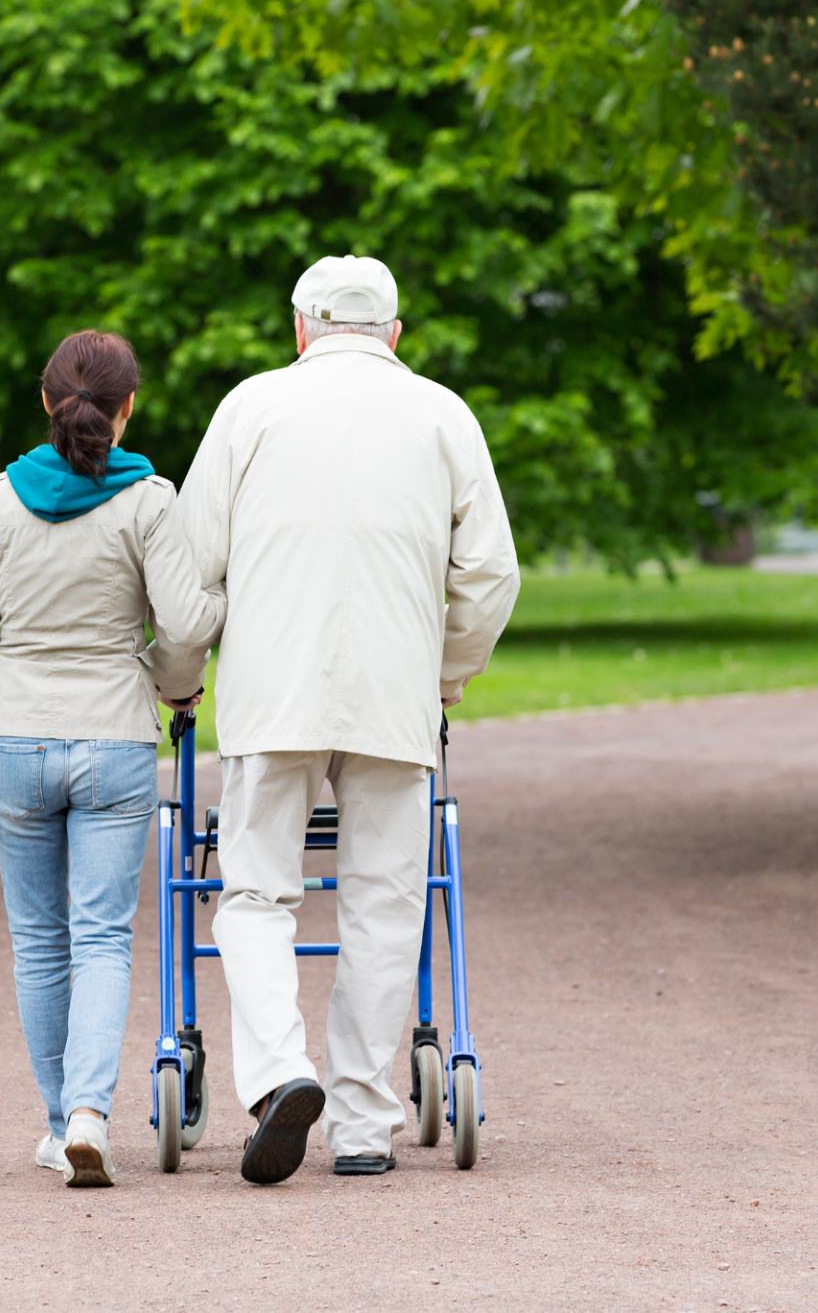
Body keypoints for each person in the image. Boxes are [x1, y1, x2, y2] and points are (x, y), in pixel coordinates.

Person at [170, 255, 520, 1185]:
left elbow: (189, 570)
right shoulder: (444, 414)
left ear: (299, 329)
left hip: (268, 693)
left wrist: (177, 680)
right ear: (394, 335)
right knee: (382, 901)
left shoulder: (248, 407)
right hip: (391, 696)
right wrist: (443, 676)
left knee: (252, 894)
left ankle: (281, 1070)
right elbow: (490, 576)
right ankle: (363, 1121)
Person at [0, 330, 226, 1189]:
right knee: (100, 938)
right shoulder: (148, 502)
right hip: (114, 740)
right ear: (127, 408)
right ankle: (89, 1110)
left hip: (13, 740)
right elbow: (187, 626)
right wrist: (173, 683)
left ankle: (60, 1125)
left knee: (38, 943)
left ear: (45, 403)